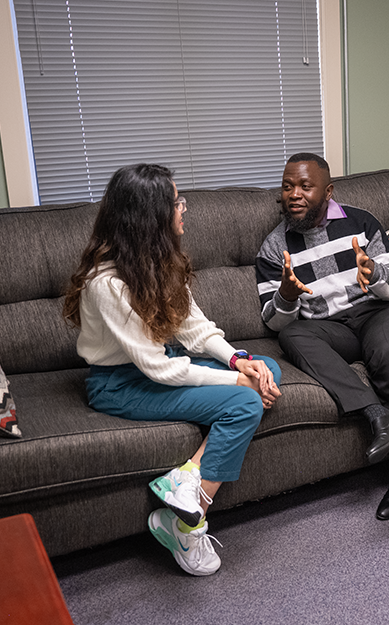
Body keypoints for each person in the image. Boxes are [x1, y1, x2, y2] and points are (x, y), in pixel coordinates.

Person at [63, 163, 281, 577]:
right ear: (150, 217)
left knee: (267, 368)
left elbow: (195, 330)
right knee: (246, 402)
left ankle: (186, 478)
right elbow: (159, 368)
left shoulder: (161, 261)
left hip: (160, 365)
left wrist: (239, 361)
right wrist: (236, 381)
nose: (183, 209)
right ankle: (186, 526)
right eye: (176, 202)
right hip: (120, 384)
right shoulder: (106, 284)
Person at [255, 152, 389, 521]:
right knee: (294, 335)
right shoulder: (273, 247)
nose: (294, 194)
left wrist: (374, 272)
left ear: (328, 191)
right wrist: (286, 295)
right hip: (330, 328)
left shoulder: (361, 222)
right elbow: (275, 322)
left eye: (305, 186)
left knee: (387, 351)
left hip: (378, 312)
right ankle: (378, 416)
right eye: (287, 187)